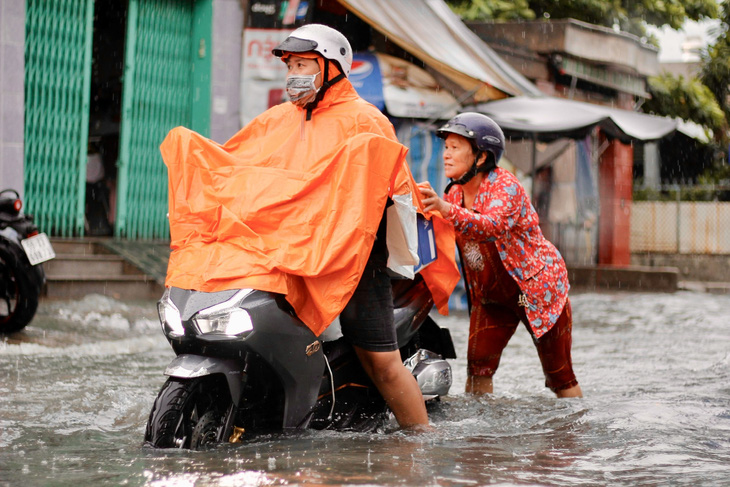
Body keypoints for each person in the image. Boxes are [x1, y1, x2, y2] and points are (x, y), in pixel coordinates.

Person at [161, 24, 459, 430]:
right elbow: (238, 170)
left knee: (381, 362)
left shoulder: (366, 121)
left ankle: (418, 442)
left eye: (304, 64)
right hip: (284, 254)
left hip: (351, 258)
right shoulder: (275, 121)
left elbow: (394, 188)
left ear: (331, 68)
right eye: (291, 66)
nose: (293, 74)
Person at [418, 112, 582, 398]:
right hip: (492, 295)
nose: (446, 155)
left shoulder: (505, 186)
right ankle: (480, 438)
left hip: (536, 292)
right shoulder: (455, 194)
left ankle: (571, 436)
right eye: (446, 147)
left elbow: (491, 226)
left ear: (481, 157)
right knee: (477, 369)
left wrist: (445, 210)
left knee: (560, 378)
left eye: (455, 148)